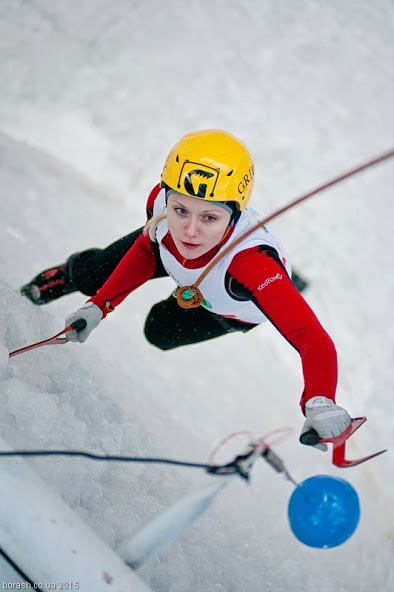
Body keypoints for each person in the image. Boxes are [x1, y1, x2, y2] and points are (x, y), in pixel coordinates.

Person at [20, 129, 351, 448]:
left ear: (234, 218)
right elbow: (149, 249)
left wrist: (320, 399)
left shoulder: (251, 266)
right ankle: (65, 274)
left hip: (225, 299)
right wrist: (99, 304)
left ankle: (288, 284)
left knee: (159, 330)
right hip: (180, 261)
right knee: (94, 275)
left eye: (209, 217)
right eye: (180, 210)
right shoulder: (162, 203)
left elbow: (311, 336)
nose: (190, 230)